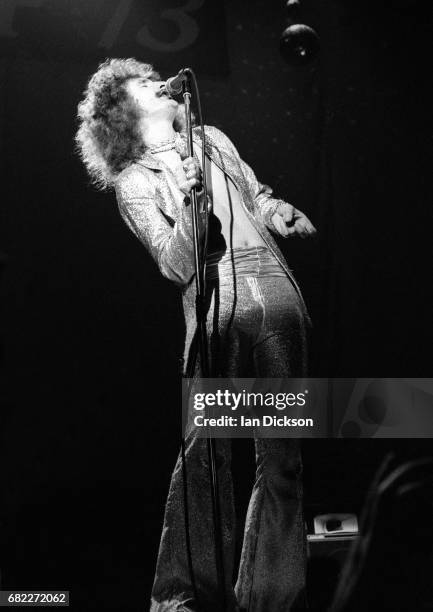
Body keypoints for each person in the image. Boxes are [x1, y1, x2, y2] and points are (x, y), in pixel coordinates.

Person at [76, 58, 316, 612]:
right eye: (141, 81)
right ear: (124, 110)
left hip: (276, 292)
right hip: (217, 302)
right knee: (206, 454)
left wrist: (277, 210)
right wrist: (189, 203)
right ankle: (183, 595)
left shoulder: (211, 138)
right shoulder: (135, 180)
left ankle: (271, 598)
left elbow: (254, 194)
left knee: (283, 458)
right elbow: (174, 263)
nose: (157, 80)